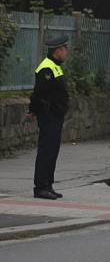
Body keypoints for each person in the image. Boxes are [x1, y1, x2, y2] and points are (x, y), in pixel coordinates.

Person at [28, 35, 70, 200]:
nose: (66, 52)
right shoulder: (46, 68)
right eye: (65, 49)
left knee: (53, 151)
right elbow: (39, 93)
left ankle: (48, 185)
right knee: (46, 151)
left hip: (55, 115)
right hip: (48, 115)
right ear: (57, 51)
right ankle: (40, 187)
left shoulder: (55, 66)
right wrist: (35, 109)